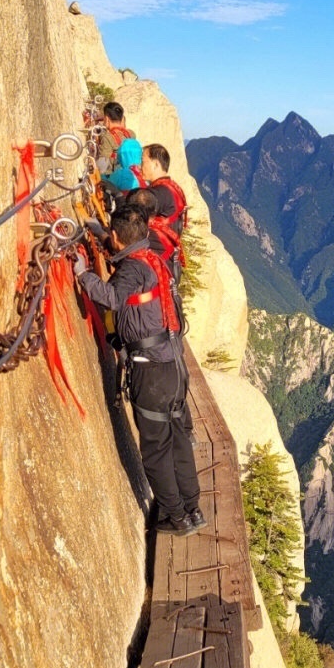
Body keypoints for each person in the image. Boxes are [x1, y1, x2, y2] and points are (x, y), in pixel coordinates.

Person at [72, 208, 204, 536]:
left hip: (152, 372)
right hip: (173, 366)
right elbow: (127, 268)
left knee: (156, 449)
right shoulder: (153, 258)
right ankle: (193, 508)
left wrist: (83, 272)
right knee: (178, 441)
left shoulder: (131, 268)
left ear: (117, 237)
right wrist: (101, 236)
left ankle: (175, 516)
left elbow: (113, 297)